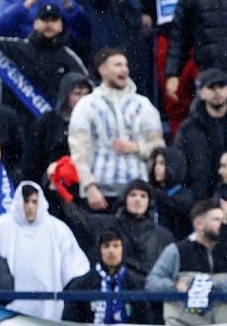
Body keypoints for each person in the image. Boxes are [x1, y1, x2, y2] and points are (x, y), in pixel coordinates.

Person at [0, 182, 93, 320]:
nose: (30, 207)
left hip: (49, 313)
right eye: (26, 201)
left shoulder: (57, 229)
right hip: (6, 317)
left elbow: (77, 270)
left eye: (34, 201)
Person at [70, 49, 165, 207]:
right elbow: (79, 150)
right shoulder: (86, 105)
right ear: (103, 70)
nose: (124, 69)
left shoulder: (144, 105)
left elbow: (159, 147)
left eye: (125, 65)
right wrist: (89, 187)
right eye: (117, 65)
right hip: (101, 193)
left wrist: (135, 147)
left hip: (138, 192)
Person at [147, 197, 227, 326]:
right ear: (199, 224)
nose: (222, 224)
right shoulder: (176, 250)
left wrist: (213, 286)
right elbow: (152, 282)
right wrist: (174, 286)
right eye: (216, 220)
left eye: (224, 220)